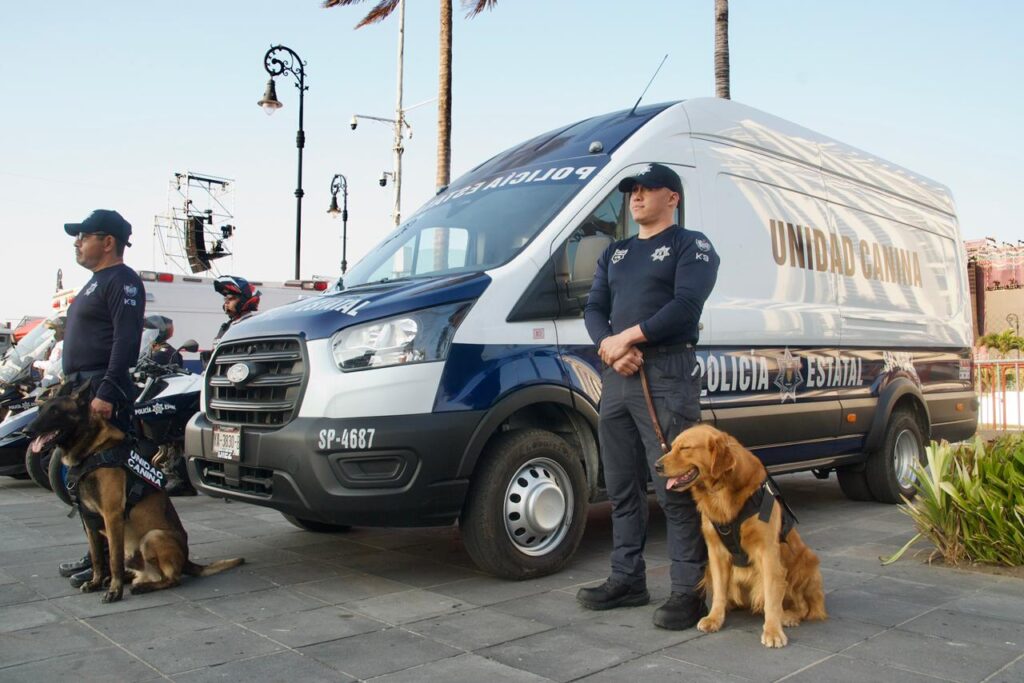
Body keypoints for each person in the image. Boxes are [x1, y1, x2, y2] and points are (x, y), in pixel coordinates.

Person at [576, 163, 720, 630]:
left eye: (646, 189)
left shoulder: (690, 246)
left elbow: (684, 308)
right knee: (621, 487)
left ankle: (688, 591)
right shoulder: (615, 254)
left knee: (676, 488)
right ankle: (627, 579)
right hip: (619, 376)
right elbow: (595, 307)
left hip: (666, 376)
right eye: (632, 191)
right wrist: (611, 348)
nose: (636, 198)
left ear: (672, 197)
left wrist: (629, 338)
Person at [56, 209, 146, 588]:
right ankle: (98, 555)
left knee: (108, 479)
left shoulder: (122, 280)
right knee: (83, 478)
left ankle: (118, 559)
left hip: (100, 390)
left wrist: (106, 391)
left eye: (84, 235)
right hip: (82, 388)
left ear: (107, 242)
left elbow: (125, 341)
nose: (77, 242)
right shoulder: (96, 282)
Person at [213, 275, 261, 344]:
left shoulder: (252, 326)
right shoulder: (226, 326)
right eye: (225, 299)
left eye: (231, 298)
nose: (226, 302)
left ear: (243, 301)